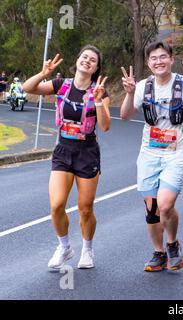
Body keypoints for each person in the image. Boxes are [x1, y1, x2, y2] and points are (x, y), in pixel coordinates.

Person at [120, 41, 183, 272]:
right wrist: (130, 93)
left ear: (171, 60)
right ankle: (159, 252)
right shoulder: (143, 86)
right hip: (148, 154)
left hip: (176, 154)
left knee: (165, 206)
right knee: (152, 209)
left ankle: (172, 244)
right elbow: (124, 116)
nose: (159, 61)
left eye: (163, 57)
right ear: (148, 63)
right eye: (154, 58)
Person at [23, 45, 111, 269]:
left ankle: (87, 250)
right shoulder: (62, 84)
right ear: (78, 60)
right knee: (57, 204)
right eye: (84, 57)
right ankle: (64, 247)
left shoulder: (99, 90)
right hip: (63, 149)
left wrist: (99, 101)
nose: (87, 61)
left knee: (85, 207)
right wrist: (44, 73)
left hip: (87, 152)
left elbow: (105, 126)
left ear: (96, 67)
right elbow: (28, 88)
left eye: (92, 60)